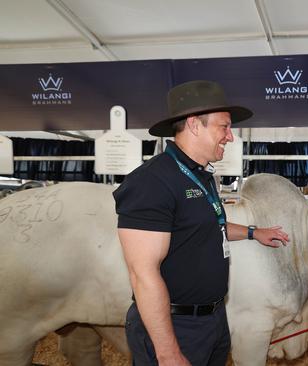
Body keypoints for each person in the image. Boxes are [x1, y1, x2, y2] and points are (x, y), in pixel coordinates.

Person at [113, 80, 290, 366]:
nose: (230, 137)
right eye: (224, 126)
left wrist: (254, 232)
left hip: (213, 320)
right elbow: (142, 275)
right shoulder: (151, 182)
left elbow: (208, 226)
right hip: (176, 327)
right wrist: (168, 352)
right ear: (195, 125)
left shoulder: (201, 175)